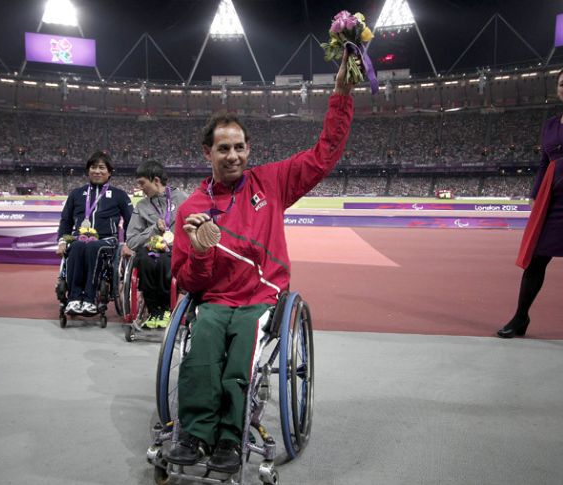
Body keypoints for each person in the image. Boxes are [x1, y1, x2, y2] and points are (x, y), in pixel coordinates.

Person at [165, 51, 358, 473]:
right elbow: (187, 281)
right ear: (207, 153)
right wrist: (200, 252)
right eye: (223, 149)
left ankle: (229, 440)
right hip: (216, 300)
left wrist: (341, 95)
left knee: (242, 353)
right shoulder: (191, 210)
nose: (233, 155)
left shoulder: (271, 182)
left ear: (249, 148)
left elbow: (323, 156)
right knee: (202, 347)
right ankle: (194, 434)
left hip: (262, 298)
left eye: (239, 147)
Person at [497, 66, 563, 338]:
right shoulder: (550, 124)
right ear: (557, 89)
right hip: (553, 200)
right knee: (536, 260)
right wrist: (535, 195)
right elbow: (544, 162)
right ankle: (520, 317)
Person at [56, 150, 133, 315]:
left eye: (101, 167)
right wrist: (62, 241)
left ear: (109, 172)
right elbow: (66, 221)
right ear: (88, 170)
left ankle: (89, 299)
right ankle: (74, 298)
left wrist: (128, 243)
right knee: (76, 245)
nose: (97, 171)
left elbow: (130, 222)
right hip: (79, 238)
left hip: (107, 239)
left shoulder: (119, 195)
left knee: (93, 247)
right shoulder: (76, 194)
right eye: (93, 167)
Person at [124, 161, 187, 328]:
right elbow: (132, 241)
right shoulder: (141, 206)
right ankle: (154, 311)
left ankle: (166, 309)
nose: (140, 188)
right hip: (150, 251)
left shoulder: (182, 199)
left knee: (167, 260)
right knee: (145, 259)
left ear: (156, 180)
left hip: (175, 250)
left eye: (142, 183)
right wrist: (154, 229)